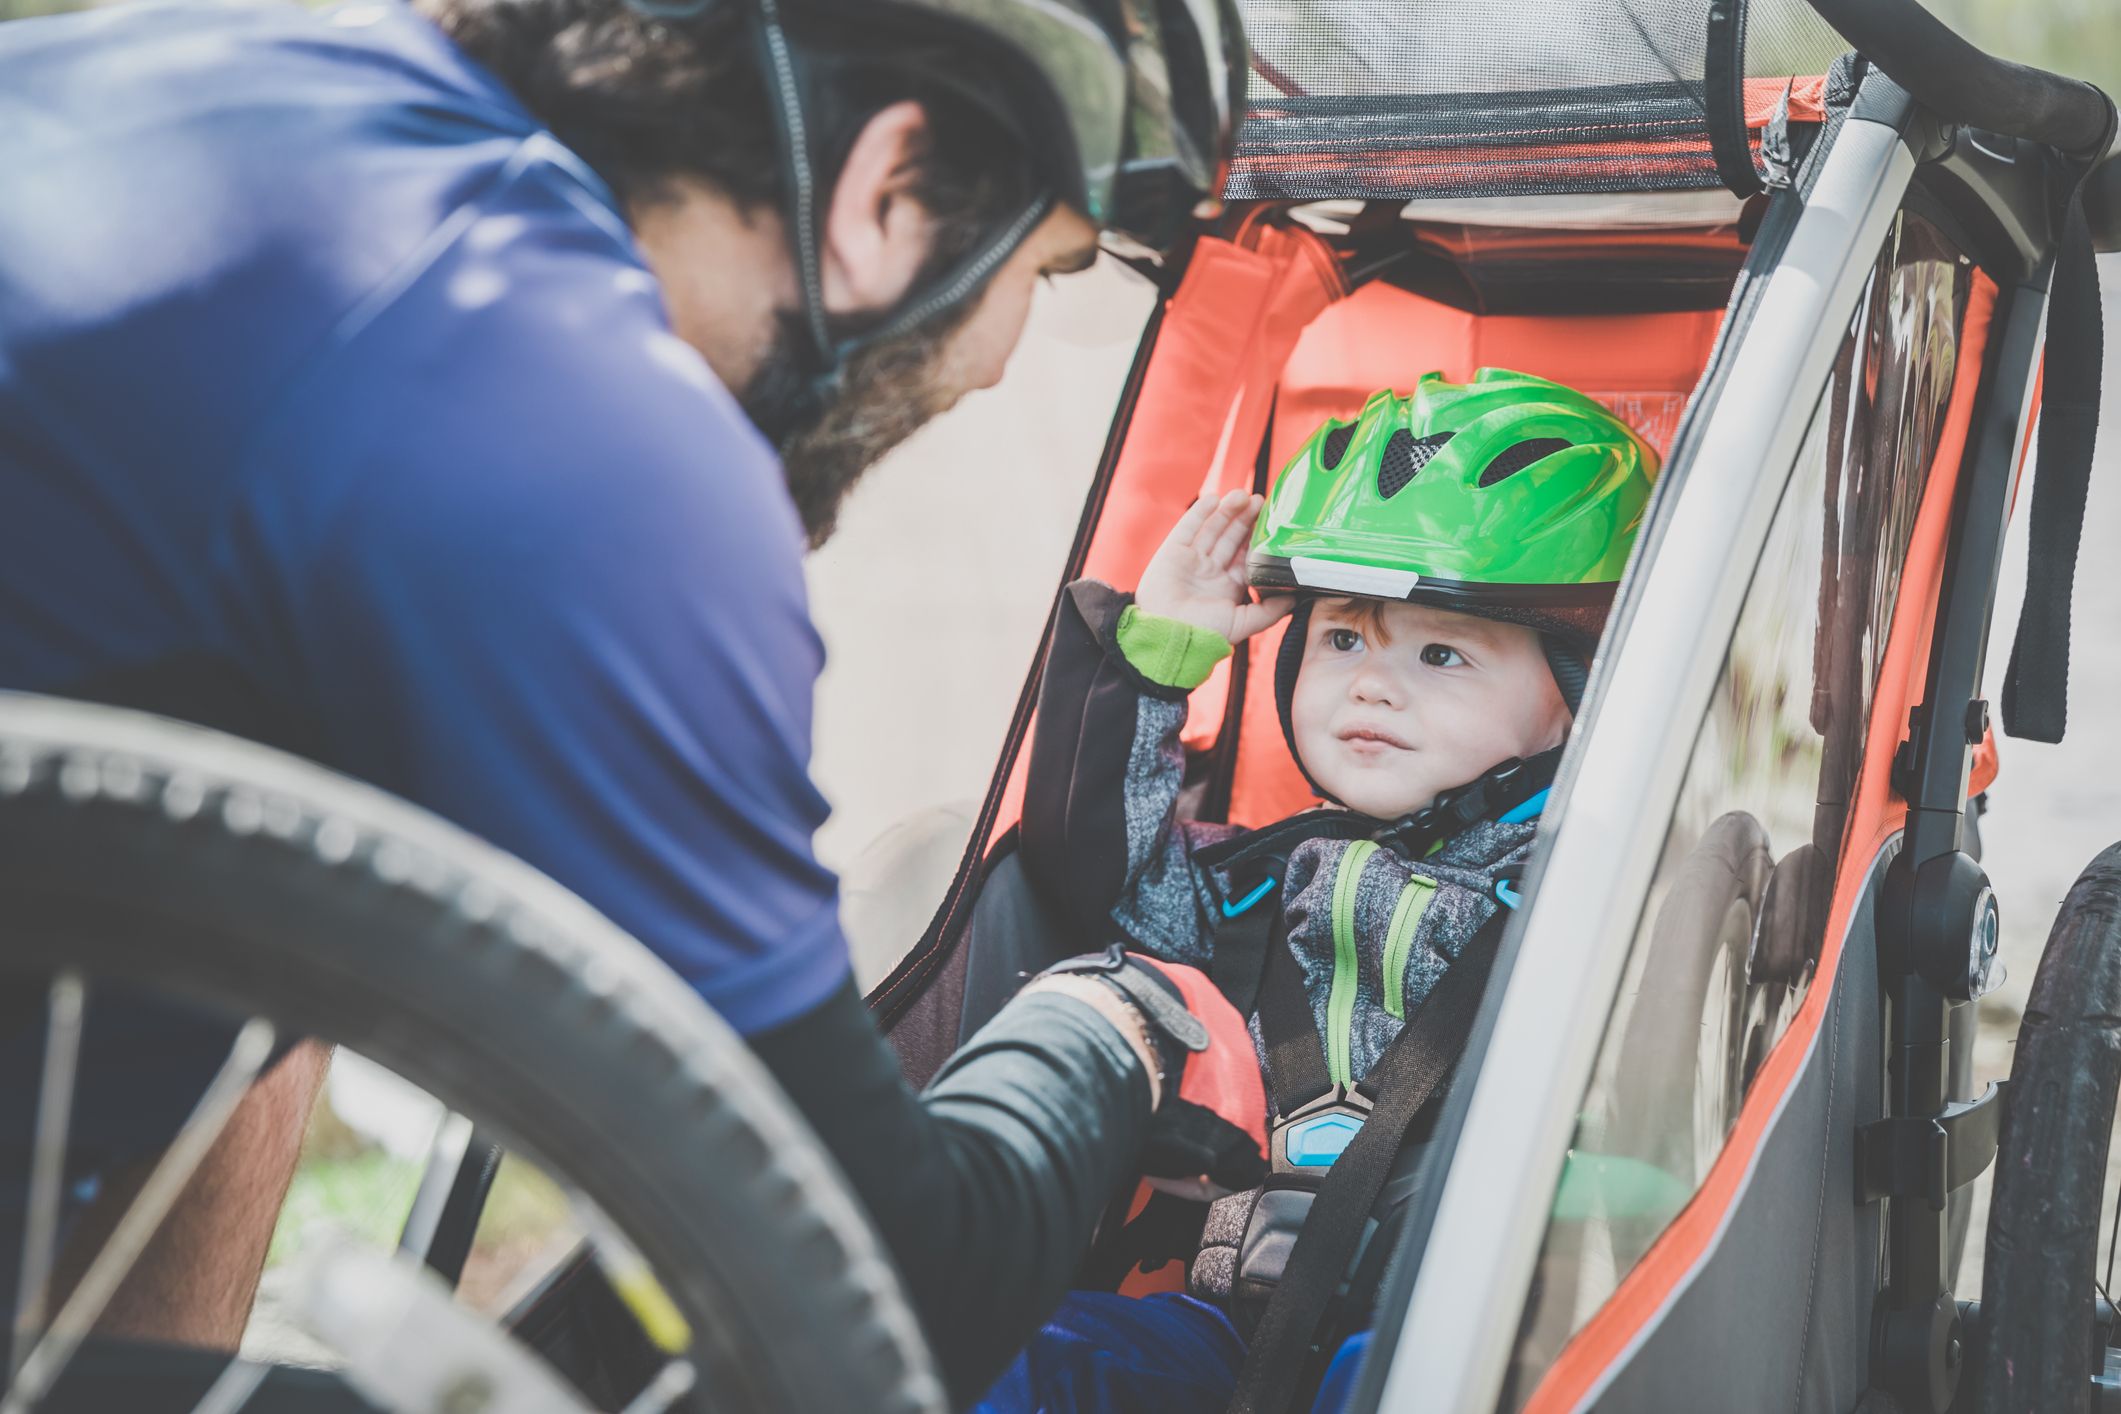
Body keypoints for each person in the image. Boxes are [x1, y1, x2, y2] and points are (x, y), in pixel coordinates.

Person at [0, 0, 1271, 1402]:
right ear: (887, 190)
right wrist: (1109, 1024)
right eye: (1042, 271)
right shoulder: (577, 419)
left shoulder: (215, 72)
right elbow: (880, 1288)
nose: (1001, 362)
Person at [998, 370, 1658, 1410]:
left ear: (1578, 699)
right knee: (1000, 1349)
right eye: (1343, 638)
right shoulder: (1261, 880)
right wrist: (1158, 653)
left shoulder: (1596, 899)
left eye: (1444, 652)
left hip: (1453, 1339)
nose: (1372, 684)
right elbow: (1092, 867)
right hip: (1222, 1331)